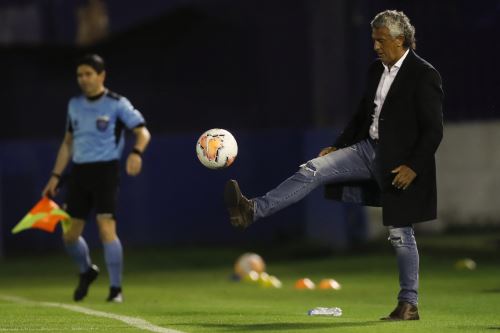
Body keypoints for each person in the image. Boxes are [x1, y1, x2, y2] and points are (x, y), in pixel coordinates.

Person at [224, 10, 443, 320]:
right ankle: (252, 210)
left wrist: (413, 166)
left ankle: (408, 303)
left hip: (400, 164)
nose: (376, 47)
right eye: (373, 41)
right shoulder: (375, 71)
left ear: (399, 40)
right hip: (367, 150)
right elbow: (361, 116)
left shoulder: (425, 75)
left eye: (381, 41)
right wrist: (338, 146)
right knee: (313, 169)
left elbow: (434, 130)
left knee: (400, 233)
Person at [42, 54, 151, 303]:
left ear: (101, 76)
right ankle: (86, 270)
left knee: (106, 229)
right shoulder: (74, 105)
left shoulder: (117, 103)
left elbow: (143, 132)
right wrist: (55, 177)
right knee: (69, 236)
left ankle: (115, 290)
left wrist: (136, 152)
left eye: (88, 74)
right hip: (79, 174)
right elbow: (67, 144)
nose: (83, 79)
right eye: (79, 75)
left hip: (105, 172)